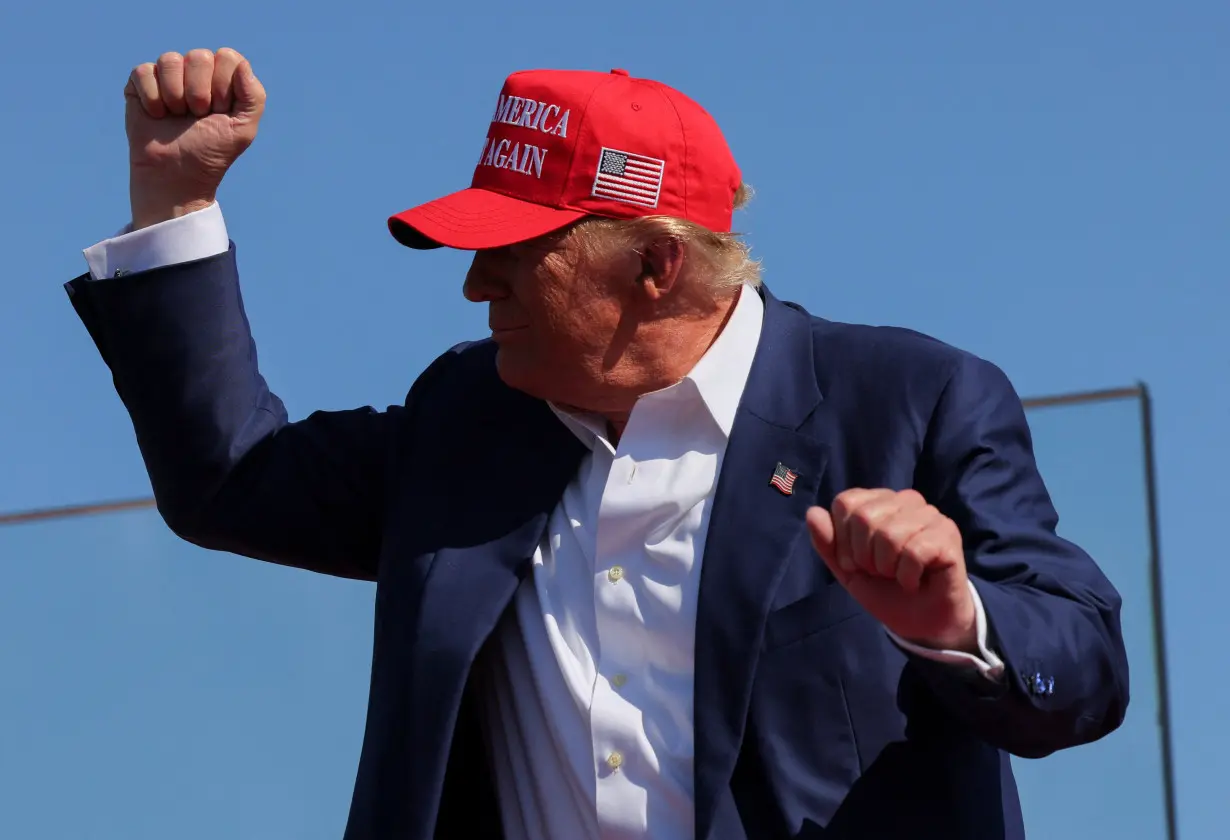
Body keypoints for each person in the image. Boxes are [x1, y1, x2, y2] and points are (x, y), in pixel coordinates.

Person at [65, 48, 1129, 840]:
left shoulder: (911, 400)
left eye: (512, 253)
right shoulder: (464, 417)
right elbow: (233, 484)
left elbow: (1082, 670)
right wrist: (175, 201)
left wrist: (957, 622)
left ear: (656, 267)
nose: (475, 285)